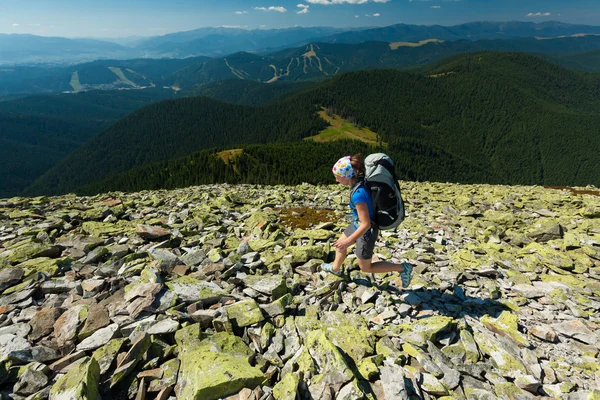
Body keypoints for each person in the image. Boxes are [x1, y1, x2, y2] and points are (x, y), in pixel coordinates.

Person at [321, 154, 414, 288]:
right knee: (339, 245)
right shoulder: (358, 181)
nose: (336, 180)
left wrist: (348, 241)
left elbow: (366, 224)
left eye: (337, 177)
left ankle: (402, 268)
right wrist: (345, 242)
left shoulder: (359, 194)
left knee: (365, 267)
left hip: (366, 232)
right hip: (356, 223)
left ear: (346, 176)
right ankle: (335, 268)